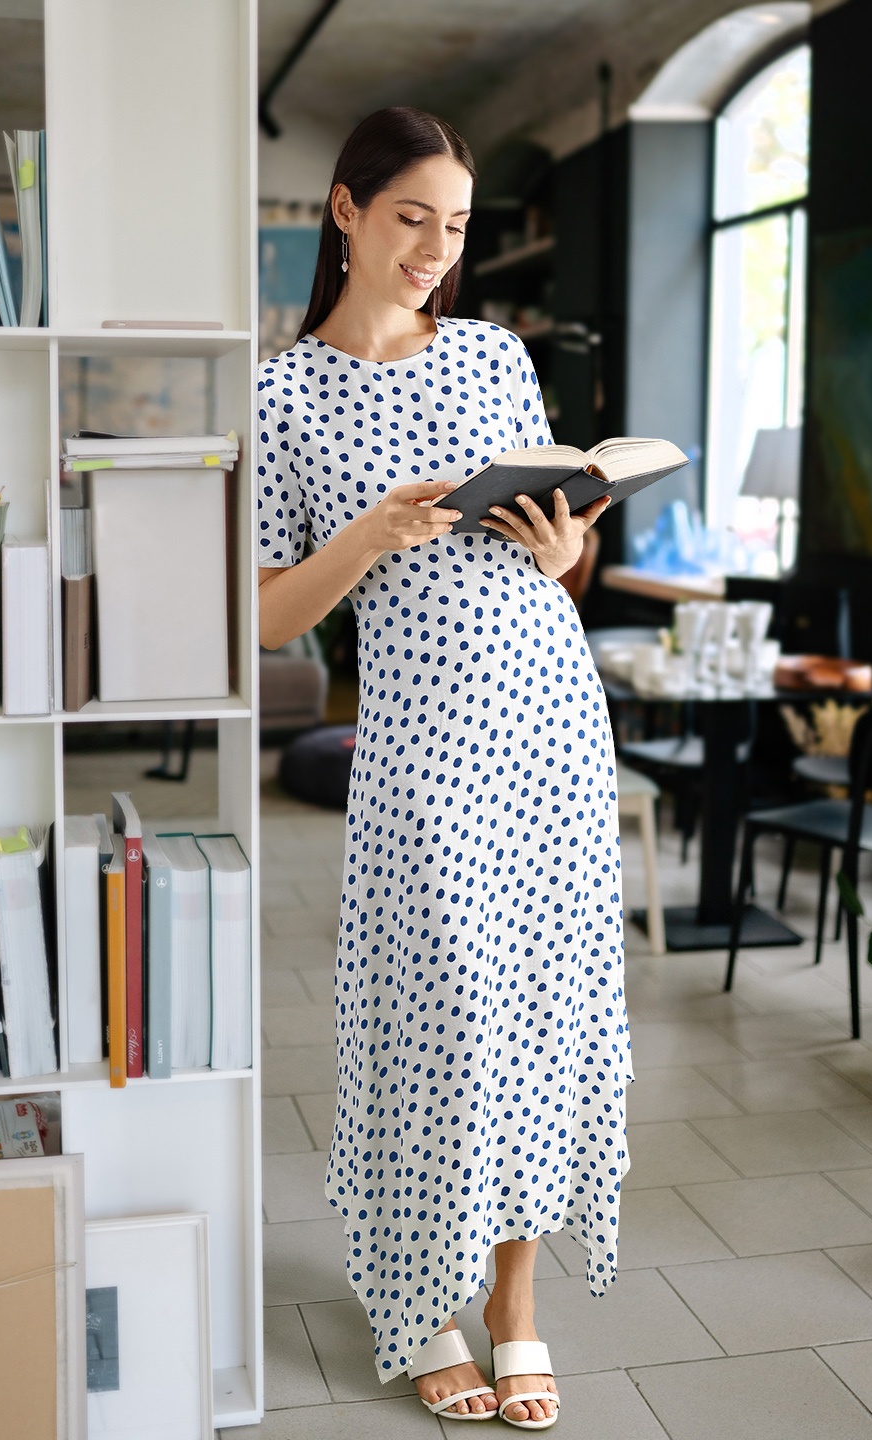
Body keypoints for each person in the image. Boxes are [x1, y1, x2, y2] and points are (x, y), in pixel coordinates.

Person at [257, 106, 631, 1430]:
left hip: (551, 721)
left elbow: (566, 561)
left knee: (543, 1018)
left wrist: (558, 547)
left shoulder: (491, 354)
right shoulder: (282, 391)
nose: (435, 247)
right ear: (347, 210)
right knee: (443, 1028)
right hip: (423, 744)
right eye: (412, 216)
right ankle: (418, 1302)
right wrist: (365, 534)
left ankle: (517, 1309)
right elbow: (265, 612)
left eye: (457, 226)